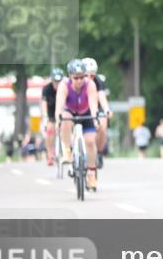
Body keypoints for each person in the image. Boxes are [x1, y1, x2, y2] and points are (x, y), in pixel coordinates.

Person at [56, 58, 101, 190]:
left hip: (86, 113)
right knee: (64, 118)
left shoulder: (90, 84)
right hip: (70, 112)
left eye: (81, 77)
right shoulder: (64, 85)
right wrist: (57, 117)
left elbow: (93, 105)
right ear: (70, 76)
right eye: (76, 78)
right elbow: (59, 105)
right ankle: (67, 151)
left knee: (90, 141)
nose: (79, 81)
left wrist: (95, 118)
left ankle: (91, 173)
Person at [82, 58, 112, 168]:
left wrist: (107, 109)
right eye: (87, 75)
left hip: (95, 108)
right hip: (79, 108)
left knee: (102, 125)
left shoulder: (98, 81)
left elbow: (101, 96)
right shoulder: (76, 80)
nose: (90, 78)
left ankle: (99, 152)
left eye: (92, 76)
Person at [42, 68, 64, 166]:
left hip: (63, 113)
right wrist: (45, 117)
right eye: (55, 82)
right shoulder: (47, 89)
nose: (57, 84)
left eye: (59, 82)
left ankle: (69, 150)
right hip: (51, 114)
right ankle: (50, 154)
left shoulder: (65, 88)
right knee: (50, 130)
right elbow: (43, 104)